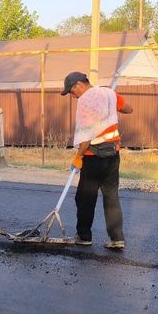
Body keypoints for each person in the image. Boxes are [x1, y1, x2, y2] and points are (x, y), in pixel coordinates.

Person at [61, 71, 133, 249]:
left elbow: (85, 135)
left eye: (71, 92)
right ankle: (117, 239)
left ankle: (84, 236)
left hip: (93, 156)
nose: (72, 96)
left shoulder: (86, 101)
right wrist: (111, 107)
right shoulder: (109, 93)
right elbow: (128, 109)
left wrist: (78, 157)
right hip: (112, 155)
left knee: (85, 197)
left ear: (79, 85)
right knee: (111, 196)